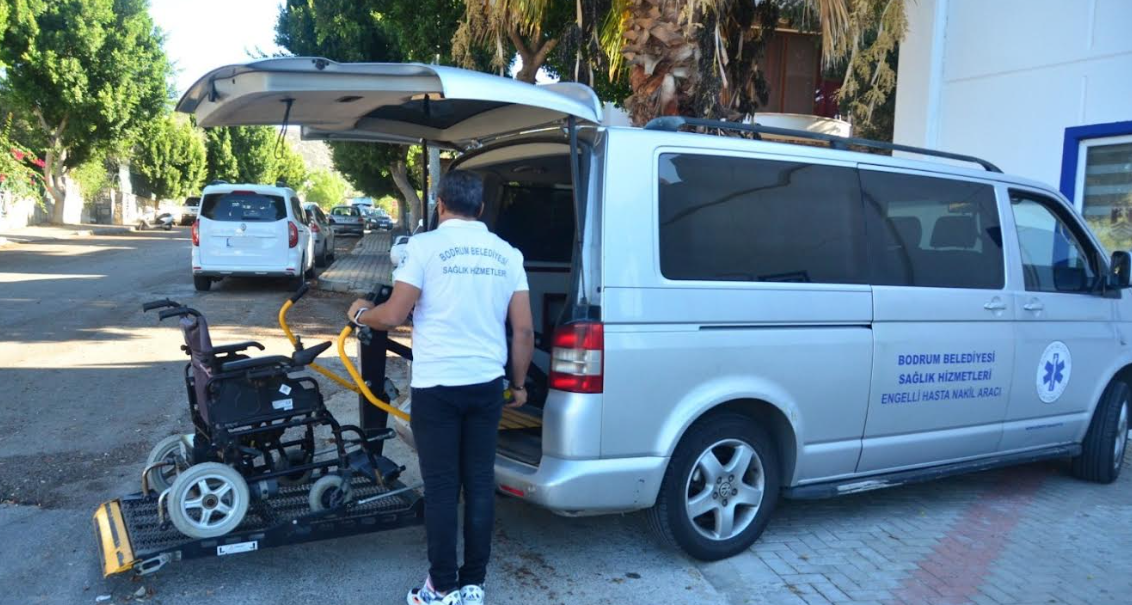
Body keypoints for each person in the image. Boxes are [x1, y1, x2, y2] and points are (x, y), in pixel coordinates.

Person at [348, 170, 534, 605]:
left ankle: (441, 586)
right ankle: (473, 585)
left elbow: (393, 315)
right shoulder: (508, 255)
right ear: (481, 209)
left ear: (440, 205)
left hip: (438, 388)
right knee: (480, 483)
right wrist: (519, 385)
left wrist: (358, 314)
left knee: (442, 488)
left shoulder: (424, 247)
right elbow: (523, 331)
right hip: (486, 386)